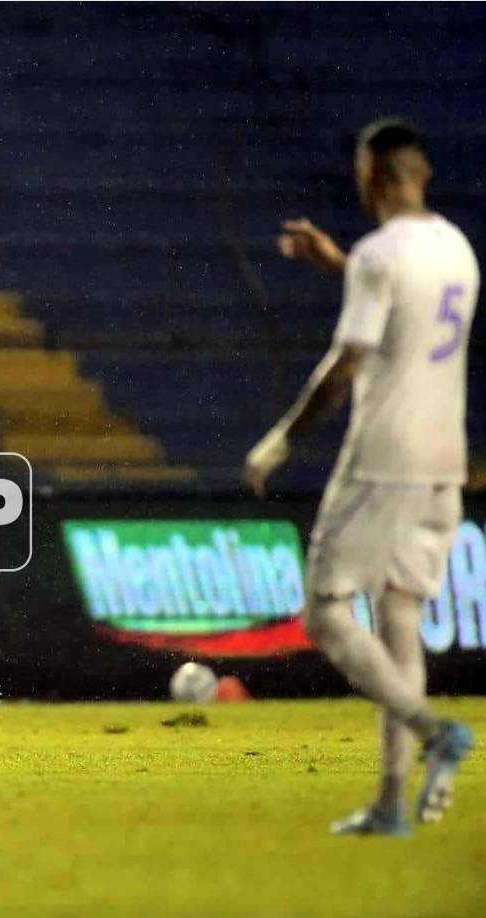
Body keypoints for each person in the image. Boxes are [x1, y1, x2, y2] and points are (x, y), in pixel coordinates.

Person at [244, 119, 478, 836]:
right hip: (445, 463)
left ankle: (433, 730)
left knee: (324, 611)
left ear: (372, 173)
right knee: (399, 616)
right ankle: (389, 804)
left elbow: (348, 363)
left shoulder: (381, 254)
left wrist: (281, 441)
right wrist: (340, 265)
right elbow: (403, 304)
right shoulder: (456, 248)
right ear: (421, 173)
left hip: (384, 459)